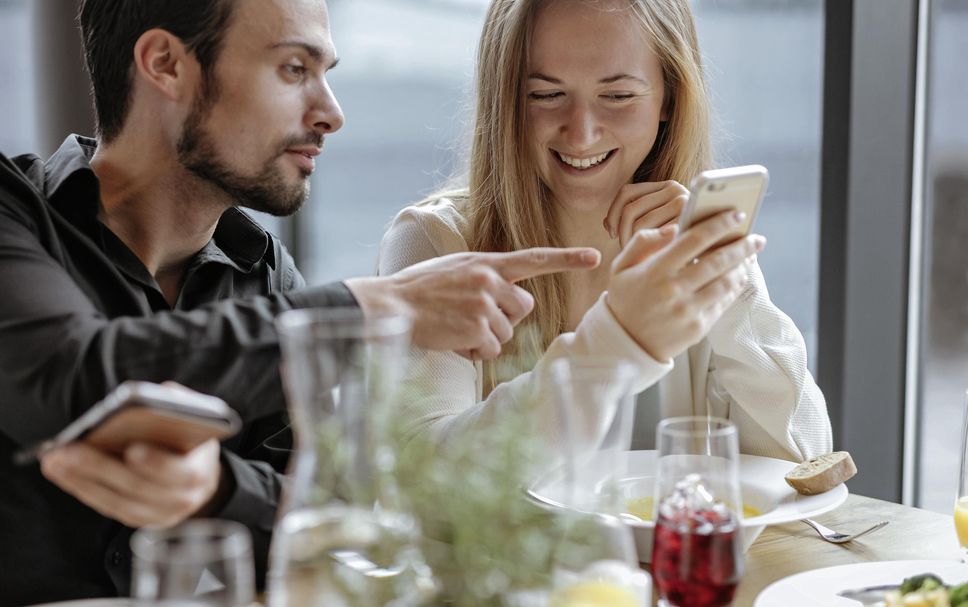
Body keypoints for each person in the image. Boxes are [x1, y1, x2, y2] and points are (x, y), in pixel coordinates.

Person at [0, 0, 602, 603]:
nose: (331, 114)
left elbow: (326, 523)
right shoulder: (13, 214)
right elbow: (69, 373)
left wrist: (217, 488)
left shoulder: (265, 276)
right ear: (166, 64)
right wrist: (378, 309)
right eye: (293, 69)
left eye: (326, 74)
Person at [378, 0, 833, 460]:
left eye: (617, 96)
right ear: (506, 101)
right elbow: (423, 477)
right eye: (545, 95)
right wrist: (617, 343)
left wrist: (729, 280)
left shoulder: (689, 247)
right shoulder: (434, 240)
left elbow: (801, 462)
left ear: (670, 99)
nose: (581, 134)